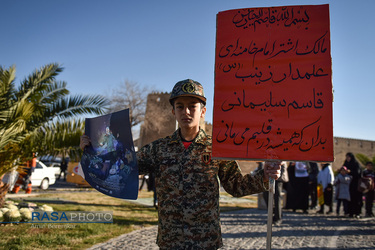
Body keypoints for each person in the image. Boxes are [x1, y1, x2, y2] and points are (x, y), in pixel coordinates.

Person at [80, 79, 281, 249]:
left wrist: (264, 177)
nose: (186, 111)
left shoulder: (217, 149)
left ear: (202, 111)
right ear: (173, 112)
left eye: (192, 106)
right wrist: (93, 150)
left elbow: (236, 185)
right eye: (180, 106)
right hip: (171, 240)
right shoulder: (158, 149)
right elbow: (124, 167)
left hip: (205, 241)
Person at [263, 161, 288, 226]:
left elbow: (283, 161)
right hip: (268, 176)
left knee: (277, 197)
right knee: (266, 195)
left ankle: (278, 218)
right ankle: (272, 214)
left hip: (278, 176)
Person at [343, 152, 363, 218]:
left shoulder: (356, 164)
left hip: (356, 184)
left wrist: (350, 172)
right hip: (349, 184)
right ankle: (350, 212)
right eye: (347, 157)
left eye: (348, 157)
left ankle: (357, 212)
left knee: (356, 199)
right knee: (349, 199)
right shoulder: (346, 164)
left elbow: (358, 173)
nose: (347, 159)